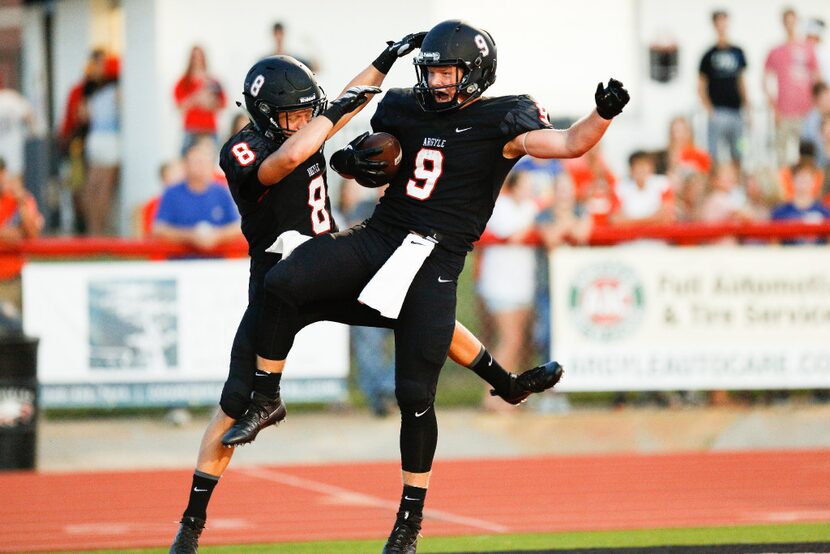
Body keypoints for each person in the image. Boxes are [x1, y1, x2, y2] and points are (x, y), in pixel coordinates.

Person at [231, 20, 627, 553]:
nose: (438, 81)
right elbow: (363, 160)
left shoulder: (502, 116)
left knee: (415, 396)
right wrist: (354, 162)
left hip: (436, 258)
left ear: (475, 73)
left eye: (448, 71)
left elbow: (569, 143)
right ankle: (267, 395)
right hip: (381, 235)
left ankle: (409, 521)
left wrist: (600, 115)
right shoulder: (401, 105)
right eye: (432, 69)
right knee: (284, 279)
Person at [169, 45, 564, 553]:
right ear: (264, 115)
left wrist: (385, 61)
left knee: (420, 314)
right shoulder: (243, 149)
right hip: (277, 281)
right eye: (291, 113)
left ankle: (505, 382)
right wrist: (334, 114)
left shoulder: (306, 123)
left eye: (306, 111)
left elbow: (344, 104)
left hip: (328, 269)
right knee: (231, 403)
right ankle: (193, 521)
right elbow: (291, 153)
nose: (302, 120)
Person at [477, 170, 538, 410]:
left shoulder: (529, 207)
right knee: (509, 341)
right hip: (500, 284)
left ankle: (512, 394)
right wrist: (534, 221)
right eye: (525, 185)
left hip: (521, 284)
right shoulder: (501, 207)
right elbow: (511, 235)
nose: (530, 190)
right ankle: (492, 396)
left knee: (519, 342)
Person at [152, 142, 241, 250]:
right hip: (179, 262)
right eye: (196, 162)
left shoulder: (222, 192)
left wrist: (217, 236)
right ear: (186, 164)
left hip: (217, 262)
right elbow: (159, 228)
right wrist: (191, 236)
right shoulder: (172, 193)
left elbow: (237, 227)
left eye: (204, 161)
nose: (201, 166)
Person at [764, 8, 820, 166]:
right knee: (781, 156)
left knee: (807, 154)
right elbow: (765, 79)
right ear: (783, 23)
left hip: (806, 112)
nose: (790, 25)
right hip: (783, 112)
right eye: (787, 21)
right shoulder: (776, 51)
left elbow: (817, 78)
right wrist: (773, 106)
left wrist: (815, 106)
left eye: (792, 21)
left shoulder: (808, 49)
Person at [698, 10, 749, 164]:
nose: (722, 26)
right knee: (713, 154)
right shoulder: (708, 55)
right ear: (714, 25)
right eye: (718, 22)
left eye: (724, 22)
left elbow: (741, 81)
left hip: (737, 112)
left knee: (740, 151)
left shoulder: (738, 52)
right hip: (718, 112)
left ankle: (738, 184)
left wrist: (747, 107)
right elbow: (701, 85)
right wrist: (710, 110)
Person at [82, 53, 120, 235]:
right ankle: (93, 230)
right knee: (91, 189)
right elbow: (84, 116)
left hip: (109, 139)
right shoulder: (92, 91)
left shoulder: (116, 89)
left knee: (103, 189)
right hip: (96, 139)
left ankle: (99, 232)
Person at [174, 46, 226, 154]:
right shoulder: (183, 82)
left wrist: (208, 102)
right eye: (194, 57)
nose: (197, 60)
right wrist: (197, 97)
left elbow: (222, 104)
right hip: (191, 129)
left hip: (210, 130)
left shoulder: (213, 81)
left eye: (199, 57)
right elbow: (179, 105)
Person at [771, 160, 830, 244]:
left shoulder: (825, 212)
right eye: (800, 178)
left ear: (814, 181)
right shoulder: (780, 213)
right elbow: (774, 244)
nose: (803, 183)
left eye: (807, 178)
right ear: (792, 180)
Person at [611, 150, 675, 227]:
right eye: (638, 166)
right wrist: (653, 219)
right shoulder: (620, 187)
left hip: (657, 237)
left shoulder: (663, 184)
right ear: (631, 169)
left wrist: (630, 222)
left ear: (652, 167)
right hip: (630, 238)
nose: (641, 170)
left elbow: (667, 217)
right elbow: (616, 220)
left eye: (644, 165)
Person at [0, 73, 35, 187]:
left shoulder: (10, 97)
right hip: (14, 154)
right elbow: (30, 117)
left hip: (10, 153)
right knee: (16, 188)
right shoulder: (12, 98)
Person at [802, 82, 830, 166]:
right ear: (818, 100)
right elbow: (811, 142)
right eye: (825, 98)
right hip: (817, 161)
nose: (828, 101)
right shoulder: (812, 118)